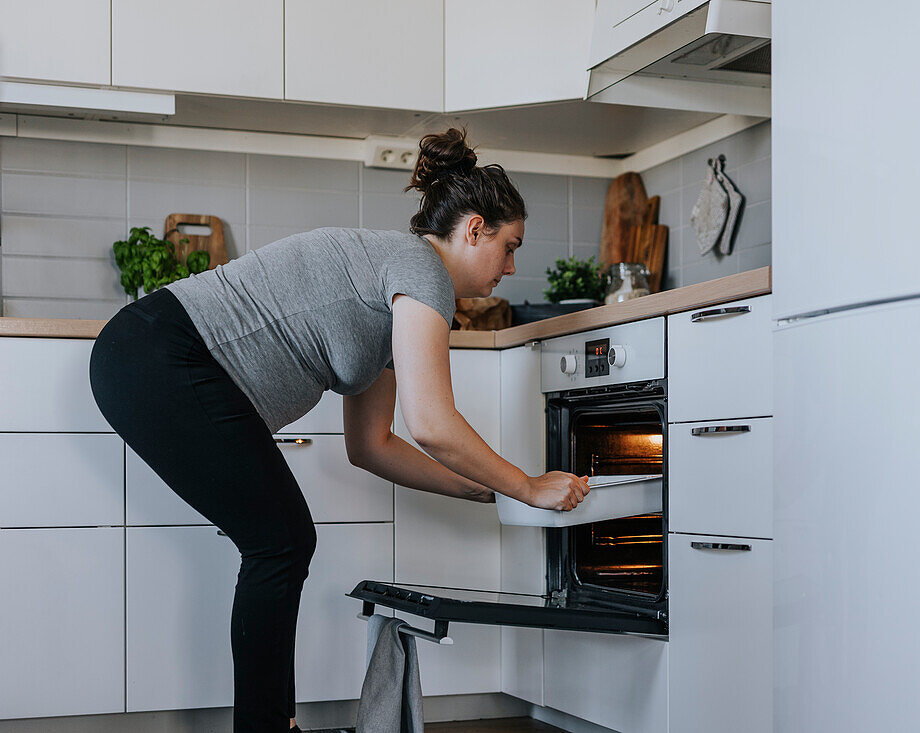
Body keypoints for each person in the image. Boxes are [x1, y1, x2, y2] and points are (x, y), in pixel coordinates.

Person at [88, 127, 590, 733]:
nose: (511, 267)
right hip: (161, 354)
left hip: (149, 356)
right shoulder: (420, 269)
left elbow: (370, 446)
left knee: (278, 540)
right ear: (474, 228)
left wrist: (478, 488)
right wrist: (527, 486)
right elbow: (431, 424)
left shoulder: (396, 293)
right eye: (510, 247)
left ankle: (272, 723)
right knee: (280, 540)